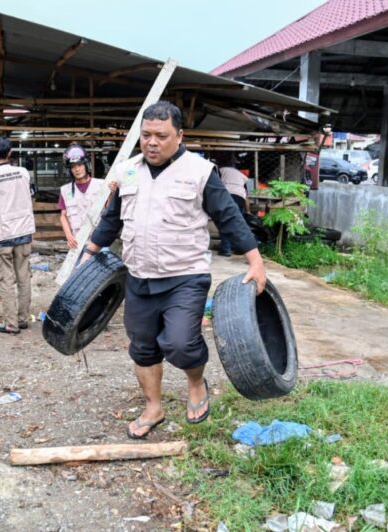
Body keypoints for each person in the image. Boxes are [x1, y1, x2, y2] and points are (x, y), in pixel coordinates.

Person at [82, 101, 266, 439]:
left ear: (180, 136)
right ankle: (153, 407)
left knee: (181, 343)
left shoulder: (200, 172)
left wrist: (255, 261)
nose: (152, 143)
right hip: (138, 276)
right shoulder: (128, 170)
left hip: (185, 276)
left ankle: (195, 383)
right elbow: (112, 219)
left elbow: (229, 216)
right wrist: (89, 252)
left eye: (161, 136)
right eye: (146, 135)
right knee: (142, 346)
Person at [0, 137, 35, 335]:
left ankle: (11, 323)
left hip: (3, 234)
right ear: (10, 153)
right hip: (24, 231)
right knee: (24, 277)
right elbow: (31, 195)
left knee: (6, 280)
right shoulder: (23, 173)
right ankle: (23, 319)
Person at [58, 144, 108, 249]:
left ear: (86, 165)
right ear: (69, 170)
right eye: (73, 167)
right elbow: (63, 215)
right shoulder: (65, 190)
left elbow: (109, 208)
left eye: (80, 165)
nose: (77, 169)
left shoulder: (101, 185)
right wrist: (69, 236)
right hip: (78, 242)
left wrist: (112, 191)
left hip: (100, 242)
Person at [217, 161, 250, 257]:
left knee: (224, 222)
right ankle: (239, 248)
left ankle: (225, 249)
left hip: (227, 195)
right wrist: (248, 210)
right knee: (236, 224)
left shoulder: (221, 170)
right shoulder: (241, 175)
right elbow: (246, 195)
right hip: (240, 198)